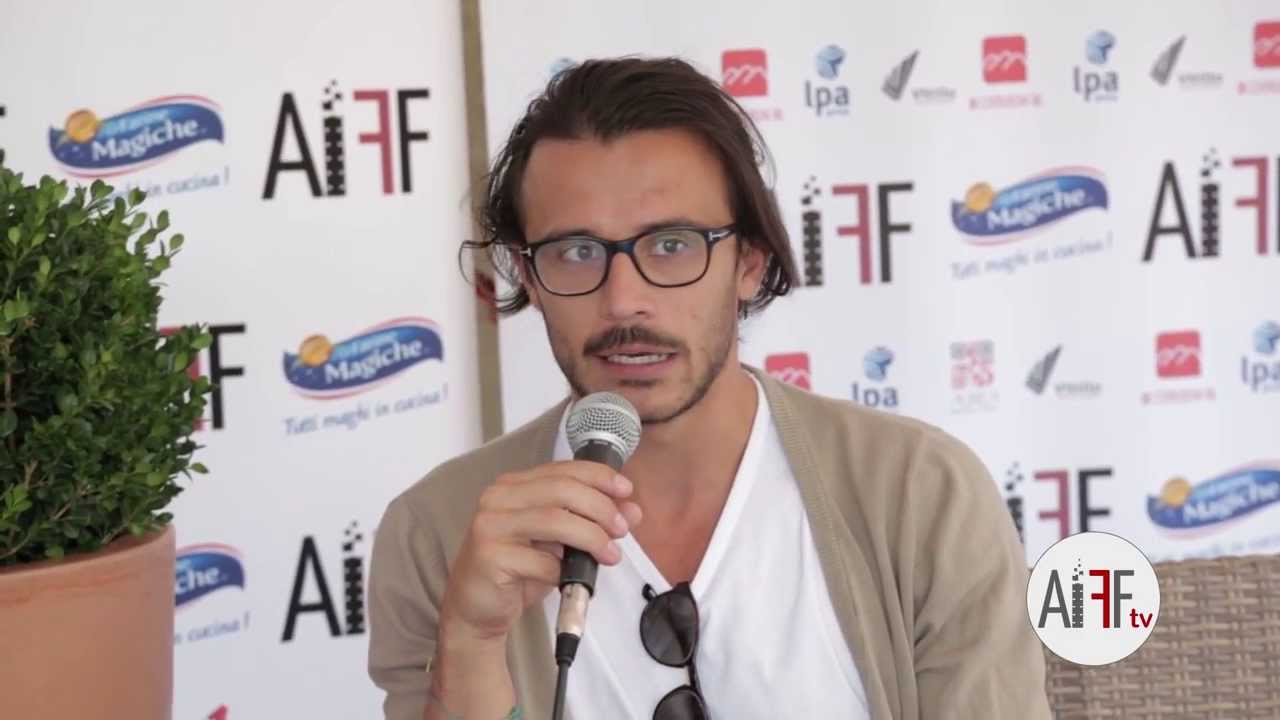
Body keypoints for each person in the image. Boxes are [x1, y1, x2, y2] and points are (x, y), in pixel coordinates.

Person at [368, 57, 1051, 720]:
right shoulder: (438, 534)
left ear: (749, 261)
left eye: (671, 245)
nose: (623, 301)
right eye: (576, 252)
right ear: (529, 277)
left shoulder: (920, 494)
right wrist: (471, 643)